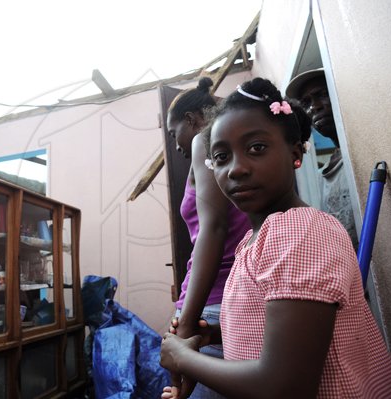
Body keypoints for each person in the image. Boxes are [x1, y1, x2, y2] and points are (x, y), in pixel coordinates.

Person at [160, 78, 391, 398]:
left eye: (256, 148)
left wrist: (183, 357)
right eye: (221, 157)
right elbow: (272, 325)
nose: (236, 169)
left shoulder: (300, 234)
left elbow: (285, 385)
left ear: (295, 153)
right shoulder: (254, 241)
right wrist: (213, 334)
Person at [165, 77, 250, 398]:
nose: (176, 144)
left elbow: (213, 228)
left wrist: (187, 319)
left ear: (191, 120)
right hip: (230, 298)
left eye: (174, 133)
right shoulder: (234, 153)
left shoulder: (204, 140)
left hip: (211, 303)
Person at [286, 68, 358, 249]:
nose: (314, 106)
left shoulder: (362, 156)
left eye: (323, 95)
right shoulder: (323, 174)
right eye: (306, 102)